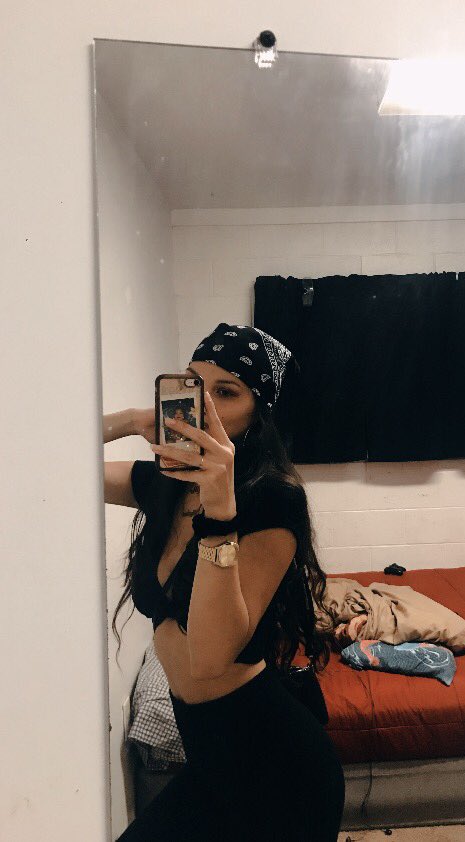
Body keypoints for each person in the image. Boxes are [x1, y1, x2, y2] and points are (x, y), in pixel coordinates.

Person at [103, 323, 346, 841]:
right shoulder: (166, 485)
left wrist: (220, 510)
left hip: (281, 773)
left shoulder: (272, 499)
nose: (204, 404)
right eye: (194, 384)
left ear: (260, 413)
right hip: (212, 764)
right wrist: (131, 419)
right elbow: (48, 463)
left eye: (227, 392)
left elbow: (211, 658)